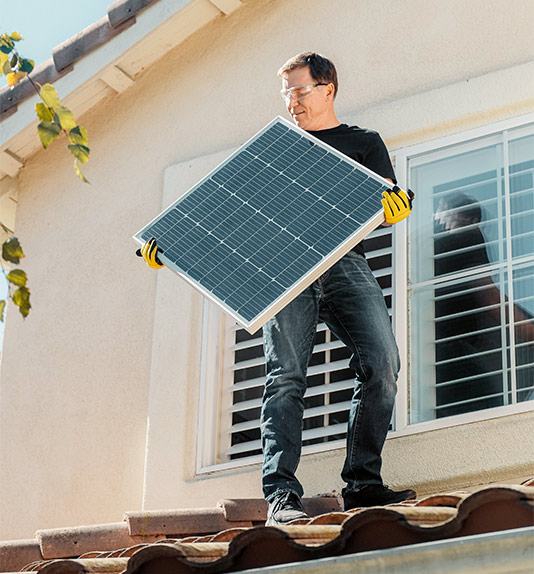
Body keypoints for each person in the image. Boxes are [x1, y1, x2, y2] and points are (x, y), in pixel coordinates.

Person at [138, 52, 416, 526]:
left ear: (328, 89)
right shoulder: (275, 152)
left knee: (382, 364)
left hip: (345, 263)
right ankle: (281, 496)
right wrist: (169, 245)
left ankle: (364, 485)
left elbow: (386, 193)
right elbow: (223, 217)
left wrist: (396, 204)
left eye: (300, 90)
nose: (292, 101)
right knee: (285, 376)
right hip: (288, 273)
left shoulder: (362, 143)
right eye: (286, 92)